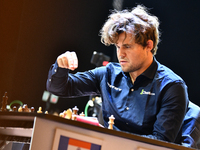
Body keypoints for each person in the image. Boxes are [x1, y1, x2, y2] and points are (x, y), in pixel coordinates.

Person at [46, 5, 189, 144]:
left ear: (148, 46)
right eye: (118, 46)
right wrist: (61, 67)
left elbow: (159, 143)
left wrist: (112, 141)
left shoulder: (171, 87)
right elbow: (59, 88)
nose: (120, 54)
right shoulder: (107, 74)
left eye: (127, 46)